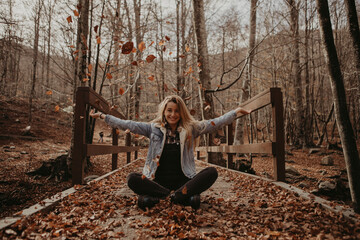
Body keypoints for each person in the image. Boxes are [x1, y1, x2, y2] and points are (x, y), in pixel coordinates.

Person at [90, 95, 251, 210]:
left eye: (176, 111)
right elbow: (128, 124)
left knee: (212, 172)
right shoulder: (152, 129)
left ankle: (171, 196)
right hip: (158, 182)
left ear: (182, 113)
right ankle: (174, 196)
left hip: (183, 181)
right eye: (169, 110)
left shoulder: (190, 129)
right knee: (132, 178)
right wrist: (104, 116)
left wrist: (235, 112)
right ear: (164, 112)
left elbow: (213, 124)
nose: (173, 114)